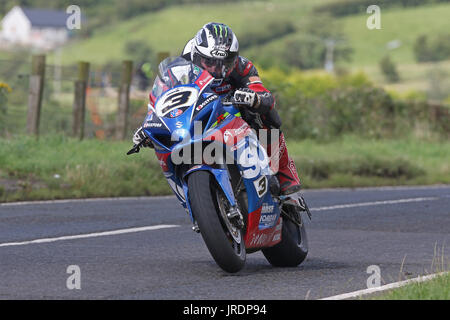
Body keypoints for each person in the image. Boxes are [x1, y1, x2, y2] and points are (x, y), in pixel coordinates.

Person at [133, 22, 302, 196]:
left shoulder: (242, 66)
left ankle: (285, 175)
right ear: (197, 55)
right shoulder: (179, 68)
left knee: (266, 115)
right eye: (209, 62)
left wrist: (254, 98)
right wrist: (150, 124)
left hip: (232, 112)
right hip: (198, 114)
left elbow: (265, 96)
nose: (215, 69)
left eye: (223, 64)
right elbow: (161, 99)